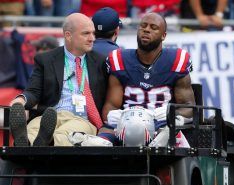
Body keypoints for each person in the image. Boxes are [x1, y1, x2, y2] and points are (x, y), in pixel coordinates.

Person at [9, 13, 109, 147]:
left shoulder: (101, 61)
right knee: (33, 129)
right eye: (86, 33)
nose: (92, 38)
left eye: (93, 33)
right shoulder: (45, 59)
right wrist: (20, 100)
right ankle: (26, 142)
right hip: (48, 115)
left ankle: (47, 142)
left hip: (81, 118)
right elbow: (33, 91)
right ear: (68, 35)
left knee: (68, 134)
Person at [101, 12, 195, 147]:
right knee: (100, 142)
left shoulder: (176, 59)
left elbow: (189, 108)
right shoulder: (120, 59)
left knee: (181, 146)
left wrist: (170, 113)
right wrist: (117, 116)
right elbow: (111, 106)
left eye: (153, 27)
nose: (146, 29)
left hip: (162, 125)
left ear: (164, 36)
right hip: (126, 124)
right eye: (143, 26)